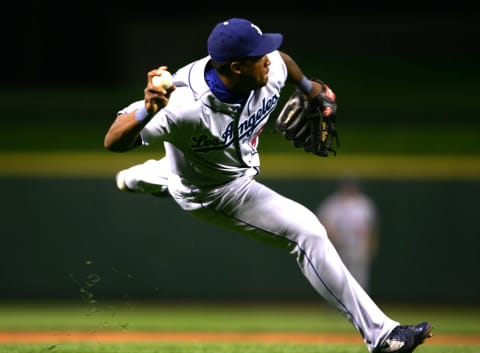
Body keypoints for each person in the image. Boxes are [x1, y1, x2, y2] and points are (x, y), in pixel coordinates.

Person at [103, 18, 432, 353]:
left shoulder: (268, 67)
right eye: (259, 55)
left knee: (176, 171)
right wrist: (146, 111)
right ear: (236, 67)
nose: (268, 58)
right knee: (308, 232)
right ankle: (383, 337)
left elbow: (284, 62)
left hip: (210, 166)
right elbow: (113, 140)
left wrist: (310, 88)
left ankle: (139, 179)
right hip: (216, 193)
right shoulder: (181, 106)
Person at [316, 174, 379, 293]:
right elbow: (325, 223)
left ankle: (358, 308)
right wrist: (334, 239)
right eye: (347, 186)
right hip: (340, 248)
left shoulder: (364, 204)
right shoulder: (334, 203)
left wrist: (371, 245)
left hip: (359, 248)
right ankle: (336, 304)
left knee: (360, 281)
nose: (350, 189)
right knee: (337, 278)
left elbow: (371, 228)